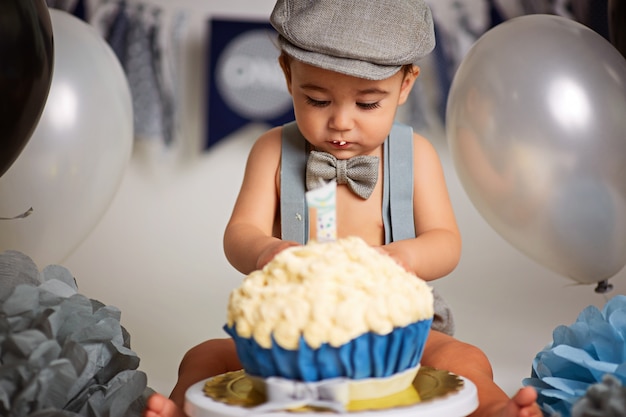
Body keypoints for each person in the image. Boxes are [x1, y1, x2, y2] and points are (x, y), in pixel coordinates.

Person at [145, 1, 541, 417]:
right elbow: (239, 232)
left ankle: (496, 408)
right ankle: (180, 411)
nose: (341, 122)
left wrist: (402, 258)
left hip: (393, 328)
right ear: (286, 74)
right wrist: (266, 252)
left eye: (367, 104)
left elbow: (445, 242)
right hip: (294, 325)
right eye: (317, 99)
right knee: (206, 356)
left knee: (463, 358)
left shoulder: (415, 155)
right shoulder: (271, 152)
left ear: (406, 85)